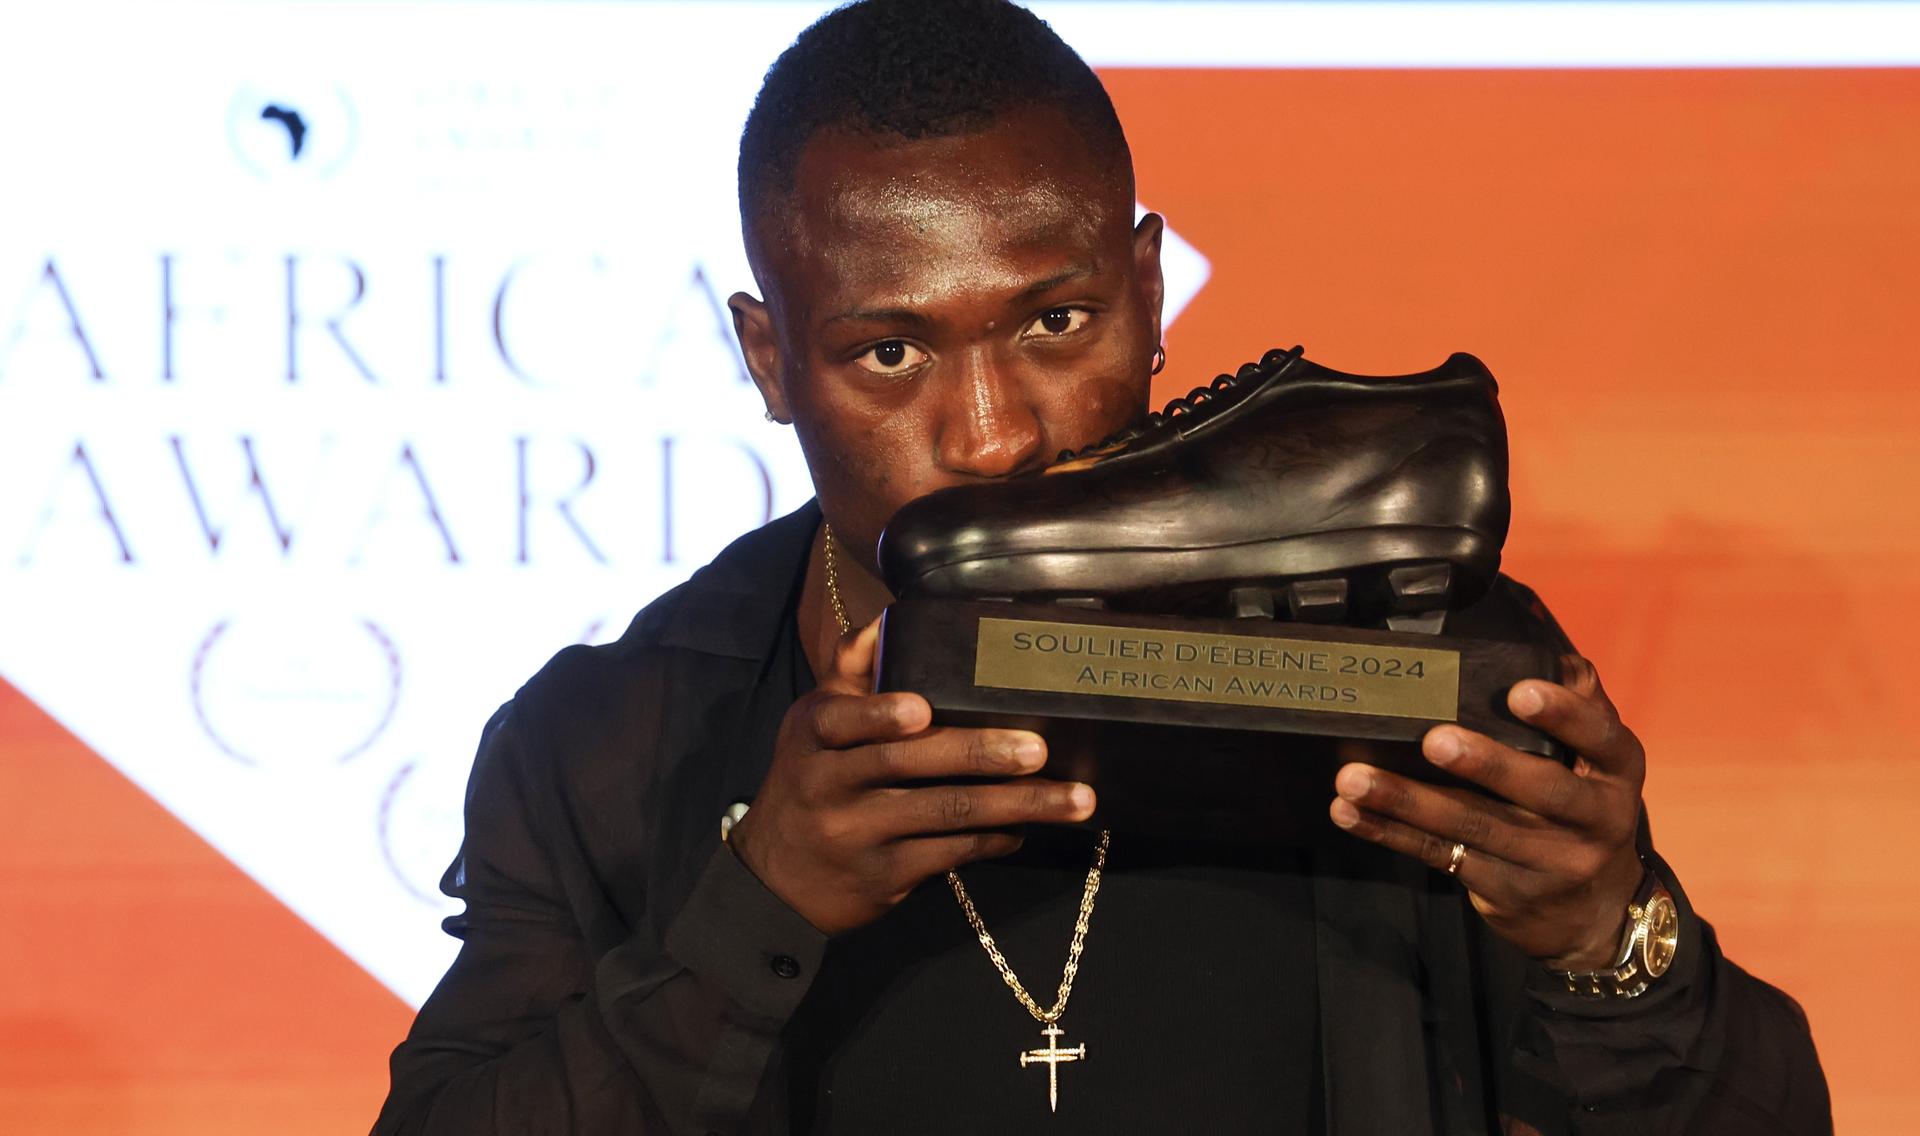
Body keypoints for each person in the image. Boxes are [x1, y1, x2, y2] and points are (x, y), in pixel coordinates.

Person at [372, 2, 1829, 1132]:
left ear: (1146, 296)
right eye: (891, 352)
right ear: (769, 361)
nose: (997, 435)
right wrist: (760, 904)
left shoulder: (1406, 657)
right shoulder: (612, 746)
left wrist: (1610, 942)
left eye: (1055, 326)